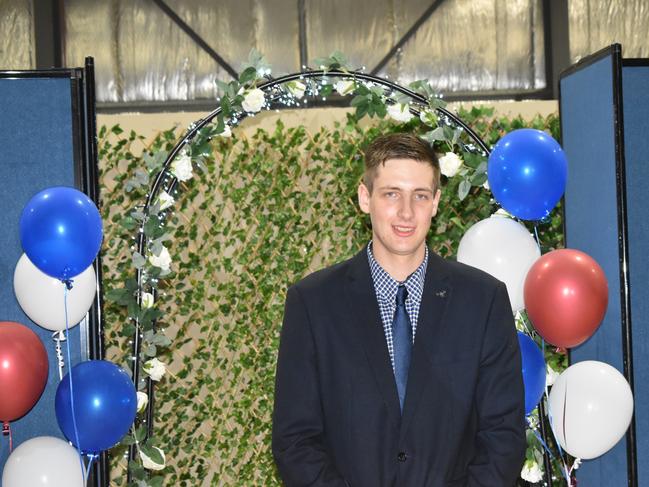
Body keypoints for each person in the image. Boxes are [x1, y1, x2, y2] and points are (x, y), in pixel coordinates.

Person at [272, 132, 526, 486]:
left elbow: (503, 436)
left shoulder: (482, 301)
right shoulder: (313, 303)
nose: (406, 212)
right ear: (365, 197)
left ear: (436, 202)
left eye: (420, 196)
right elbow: (294, 440)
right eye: (391, 194)